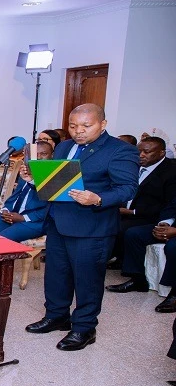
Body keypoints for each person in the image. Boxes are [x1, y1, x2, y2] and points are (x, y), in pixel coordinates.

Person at [25, 104, 138, 351]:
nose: (79, 131)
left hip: (92, 226)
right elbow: (56, 182)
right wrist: (35, 181)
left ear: (103, 124)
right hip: (58, 220)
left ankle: (84, 328)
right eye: (73, 126)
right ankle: (57, 315)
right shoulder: (64, 147)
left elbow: (128, 188)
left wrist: (97, 198)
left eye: (86, 126)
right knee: (56, 274)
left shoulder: (120, 150)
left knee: (87, 280)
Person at [107, 136, 176, 268]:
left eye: (147, 152)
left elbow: (167, 204)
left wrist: (132, 211)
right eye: (139, 151)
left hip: (149, 216)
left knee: (121, 228)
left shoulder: (171, 172)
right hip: (124, 210)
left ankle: (126, 267)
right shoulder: (132, 165)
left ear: (162, 153)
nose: (141, 155)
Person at [0, 141, 53, 242]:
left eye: (43, 154)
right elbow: (16, 195)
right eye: (36, 154)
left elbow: (50, 207)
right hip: (13, 216)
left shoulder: (54, 176)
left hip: (34, 221)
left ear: (52, 156)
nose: (39, 157)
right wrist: (6, 210)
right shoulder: (27, 169)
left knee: (1, 240)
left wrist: (23, 218)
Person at [105, 196, 176, 313]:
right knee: (134, 234)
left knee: (173, 247)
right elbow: (171, 206)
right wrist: (165, 224)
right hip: (172, 226)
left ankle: (174, 294)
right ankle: (138, 280)